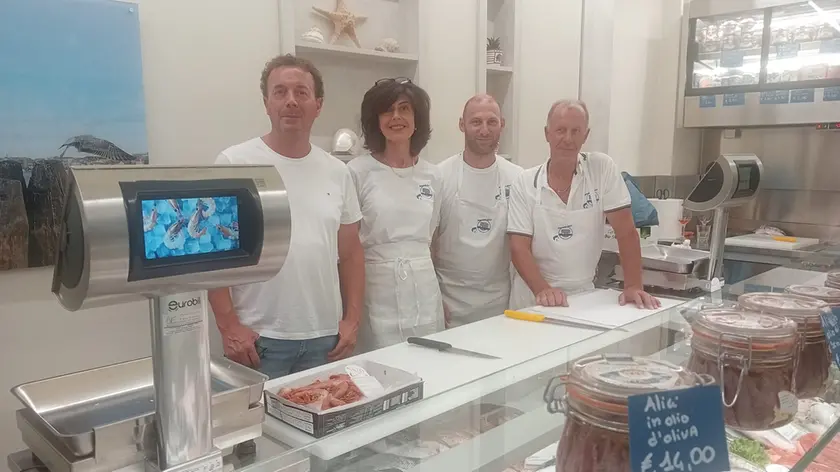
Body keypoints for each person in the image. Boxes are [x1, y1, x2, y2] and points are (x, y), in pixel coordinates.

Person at [209, 55, 365, 379]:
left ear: (318, 105)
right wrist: (228, 326)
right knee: (258, 416)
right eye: (280, 92)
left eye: (301, 92)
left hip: (325, 338)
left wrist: (352, 320)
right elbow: (214, 254)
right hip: (260, 340)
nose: (291, 101)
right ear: (267, 103)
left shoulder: (338, 172)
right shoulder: (234, 163)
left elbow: (350, 253)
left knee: (324, 414)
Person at [507, 99, 660, 310]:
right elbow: (518, 247)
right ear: (547, 133)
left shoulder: (601, 169)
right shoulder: (524, 183)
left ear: (585, 136)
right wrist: (543, 290)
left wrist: (633, 285)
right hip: (532, 299)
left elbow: (626, 231)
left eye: (575, 131)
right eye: (560, 130)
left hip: (583, 297)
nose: (568, 139)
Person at [347, 77, 445, 351]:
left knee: (428, 359)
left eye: (404, 109)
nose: (396, 117)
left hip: (424, 286)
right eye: (387, 110)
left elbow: (431, 238)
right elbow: (348, 247)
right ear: (375, 120)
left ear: (417, 119)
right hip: (376, 287)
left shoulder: (433, 175)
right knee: (379, 363)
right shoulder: (357, 172)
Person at [435, 95, 523, 327]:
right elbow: (428, 245)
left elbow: (524, 245)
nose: (484, 130)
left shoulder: (518, 178)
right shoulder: (440, 177)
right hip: (449, 305)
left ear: (502, 124)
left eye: (491, 122)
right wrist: (432, 298)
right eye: (476, 122)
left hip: (500, 305)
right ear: (462, 125)